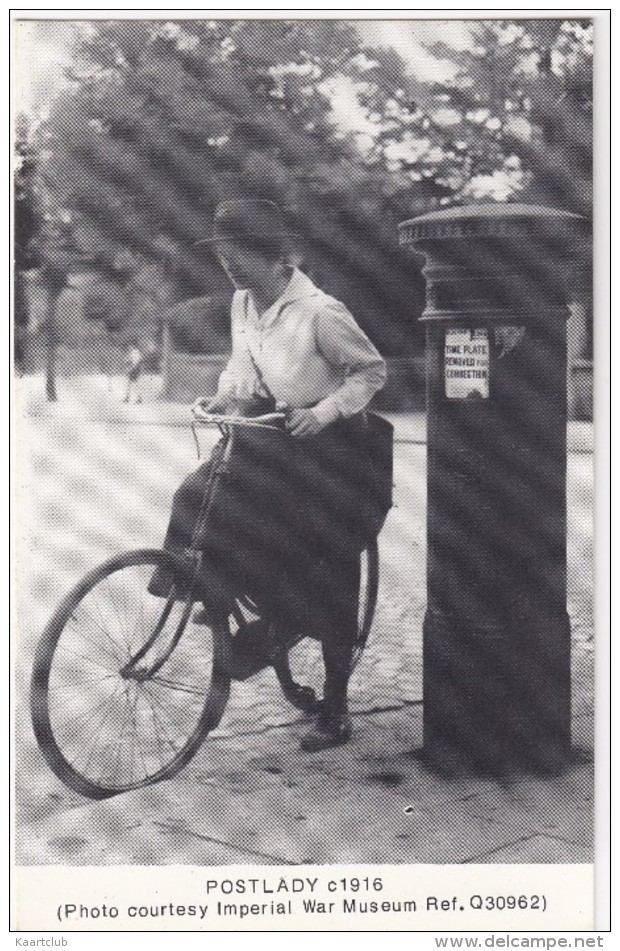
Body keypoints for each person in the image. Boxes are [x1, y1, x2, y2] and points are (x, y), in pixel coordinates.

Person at [161, 199, 387, 752]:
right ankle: (220, 596)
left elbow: (371, 371)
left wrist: (324, 411)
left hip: (332, 449)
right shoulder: (243, 303)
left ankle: (335, 709)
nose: (230, 267)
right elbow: (246, 362)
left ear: (275, 258)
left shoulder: (321, 312)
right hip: (272, 433)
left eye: (240, 255)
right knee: (198, 494)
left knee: (323, 559)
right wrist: (225, 394)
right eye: (222, 255)